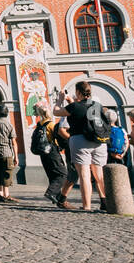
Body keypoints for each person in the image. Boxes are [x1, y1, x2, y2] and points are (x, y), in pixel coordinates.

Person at [54, 82, 108, 212]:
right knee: (99, 174)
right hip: (99, 141)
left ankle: (87, 206)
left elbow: (56, 112)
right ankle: (104, 201)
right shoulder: (97, 105)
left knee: (84, 175)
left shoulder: (74, 107)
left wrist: (60, 100)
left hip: (80, 141)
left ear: (78, 92)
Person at [31, 104, 69, 206]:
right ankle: (51, 192)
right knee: (62, 173)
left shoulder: (39, 124)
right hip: (52, 152)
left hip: (43, 153)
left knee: (52, 175)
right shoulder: (51, 124)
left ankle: (57, 199)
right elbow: (58, 137)